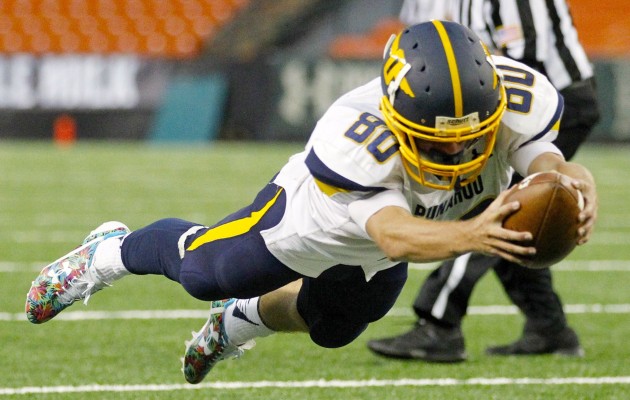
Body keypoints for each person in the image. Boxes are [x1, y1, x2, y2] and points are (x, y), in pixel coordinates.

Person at [25, 21, 597, 384]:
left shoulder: (521, 97)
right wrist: (475, 234)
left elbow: (542, 158)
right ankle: (109, 253)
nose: (456, 158)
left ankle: (238, 323)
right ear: (395, 118)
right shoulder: (353, 133)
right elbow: (394, 233)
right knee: (204, 271)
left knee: (333, 328)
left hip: (399, 241)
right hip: (316, 222)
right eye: (435, 143)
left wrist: (570, 179)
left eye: (471, 140)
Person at [367, 0, 600, 362]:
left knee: (493, 209)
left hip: (548, 104)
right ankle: (549, 327)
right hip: (485, 109)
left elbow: (525, 68)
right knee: (522, 218)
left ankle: (439, 323)